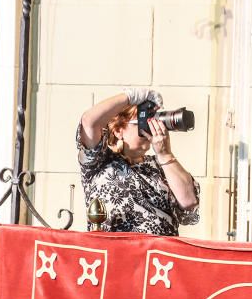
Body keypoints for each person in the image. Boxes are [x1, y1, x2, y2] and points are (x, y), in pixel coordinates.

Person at [77, 87, 200, 235]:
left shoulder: (161, 166)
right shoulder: (101, 161)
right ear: (118, 130)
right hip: (116, 254)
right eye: (142, 123)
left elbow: (189, 202)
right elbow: (89, 122)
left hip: (156, 255)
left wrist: (165, 154)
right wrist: (131, 97)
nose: (148, 129)